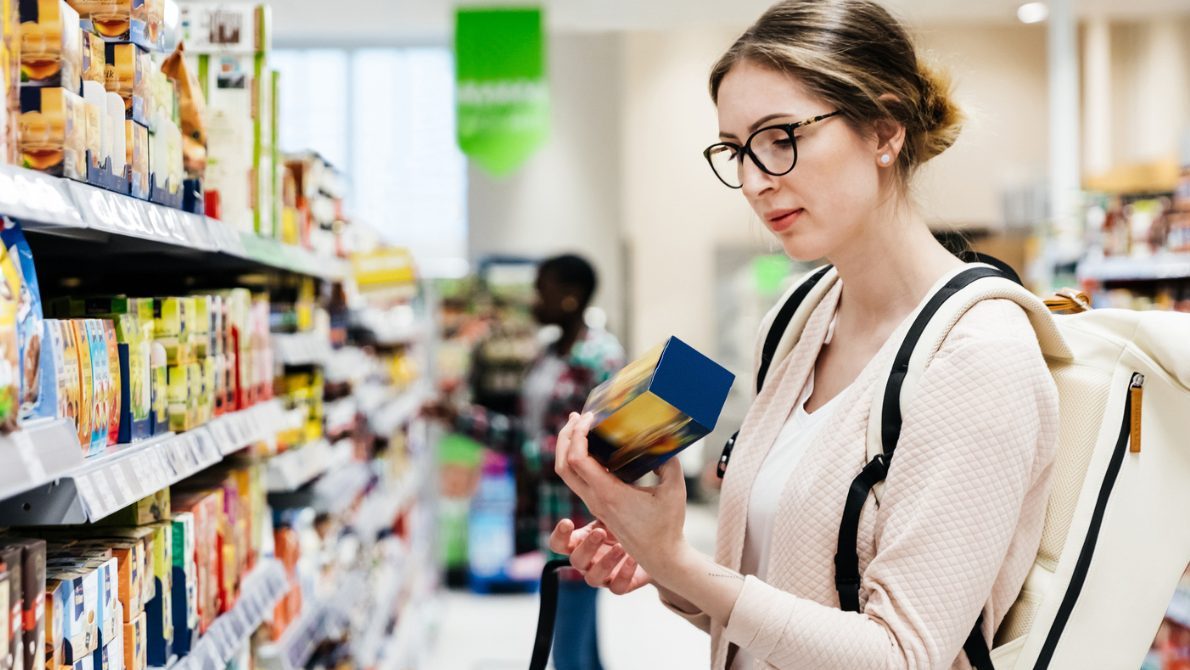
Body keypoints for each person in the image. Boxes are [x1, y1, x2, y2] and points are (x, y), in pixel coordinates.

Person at [546, 1, 1059, 668]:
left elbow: (901, 655)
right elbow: (786, 596)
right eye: (736, 151)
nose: (755, 181)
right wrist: (661, 558)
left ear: (884, 129)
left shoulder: (979, 358)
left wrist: (677, 559)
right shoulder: (797, 319)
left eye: (781, 137)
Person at [427, 254, 624, 670]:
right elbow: (525, 434)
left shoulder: (600, 356)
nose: (534, 299)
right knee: (579, 644)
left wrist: (533, 454)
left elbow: (601, 437)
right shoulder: (549, 353)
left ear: (571, 296)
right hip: (548, 516)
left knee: (569, 649)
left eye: (542, 289)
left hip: (583, 517)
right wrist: (459, 417)